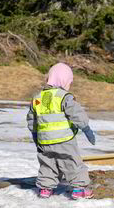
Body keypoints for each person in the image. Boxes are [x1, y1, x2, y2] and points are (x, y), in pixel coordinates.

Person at [26, 63, 96, 199]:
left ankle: (45, 189)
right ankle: (79, 189)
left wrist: (35, 134)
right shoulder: (64, 96)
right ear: (64, 80)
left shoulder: (38, 98)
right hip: (64, 139)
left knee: (47, 163)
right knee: (72, 162)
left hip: (44, 140)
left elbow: (31, 119)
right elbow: (76, 113)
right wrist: (86, 128)